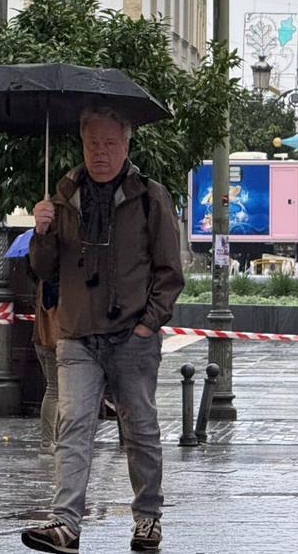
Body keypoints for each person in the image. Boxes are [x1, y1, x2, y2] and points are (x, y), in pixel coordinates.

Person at [22, 107, 184, 553]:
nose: (101, 153)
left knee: (141, 429)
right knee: (72, 424)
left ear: (126, 145)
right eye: (93, 144)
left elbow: (170, 272)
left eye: (110, 143)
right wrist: (41, 233)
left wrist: (149, 325)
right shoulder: (63, 197)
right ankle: (65, 523)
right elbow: (43, 269)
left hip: (132, 334)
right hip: (76, 334)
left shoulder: (150, 197)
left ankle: (147, 517)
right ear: (81, 143)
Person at [33, 277, 61, 454]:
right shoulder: (54, 285)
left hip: (40, 341)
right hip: (52, 343)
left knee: (55, 391)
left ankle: (52, 439)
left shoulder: (42, 282)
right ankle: (47, 442)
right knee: (54, 390)